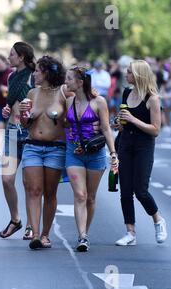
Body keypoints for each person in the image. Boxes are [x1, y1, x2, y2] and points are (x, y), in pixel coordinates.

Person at [18, 56, 70, 250]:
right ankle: (35, 234)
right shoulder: (32, 93)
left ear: (47, 73)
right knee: (33, 190)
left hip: (55, 148)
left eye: (37, 71)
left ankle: (46, 234)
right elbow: (25, 124)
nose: (34, 74)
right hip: (32, 146)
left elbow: (82, 100)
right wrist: (24, 114)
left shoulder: (64, 92)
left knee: (49, 192)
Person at [114, 60, 168, 246]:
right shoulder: (127, 93)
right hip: (125, 143)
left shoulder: (152, 98)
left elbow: (155, 129)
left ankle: (158, 219)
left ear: (138, 75)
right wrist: (119, 124)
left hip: (144, 145)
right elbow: (123, 123)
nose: (126, 74)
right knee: (125, 191)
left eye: (129, 72)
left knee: (141, 190)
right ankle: (130, 232)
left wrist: (133, 119)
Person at [65, 66, 118, 252]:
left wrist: (113, 154)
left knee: (91, 198)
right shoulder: (68, 100)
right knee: (80, 194)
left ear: (80, 82)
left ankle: (84, 233)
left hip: (95, 153)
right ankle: (82, 236)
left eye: (69, 79)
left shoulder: (99, 102)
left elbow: (105, 128)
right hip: (74, 151)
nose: (66, 81)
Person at [0, 42, 35, 240]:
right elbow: (11, 103)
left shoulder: (34, 75)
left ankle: (31, 224)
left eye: (11, 54)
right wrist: (7, 109)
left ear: (21, 57)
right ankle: (16, 219)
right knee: (6, 179)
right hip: (12, 131)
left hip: (30, 133)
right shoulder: (12, 76)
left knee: (29, 183)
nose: (8, 57)